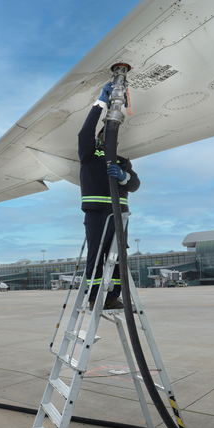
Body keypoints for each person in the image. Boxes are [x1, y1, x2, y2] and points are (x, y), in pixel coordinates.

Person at [79, 82, 140, 310]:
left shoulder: (122, 161)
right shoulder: (89, 155)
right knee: (97, 255)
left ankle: (113, 296)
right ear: (100, 137)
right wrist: (100, 103)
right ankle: (96, 298)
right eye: (105, 135)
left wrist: (124, 176)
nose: (108, 139)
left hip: (119, 215)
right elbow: (84, 132)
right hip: (96, 215)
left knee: (117, 259)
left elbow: (134, 184)